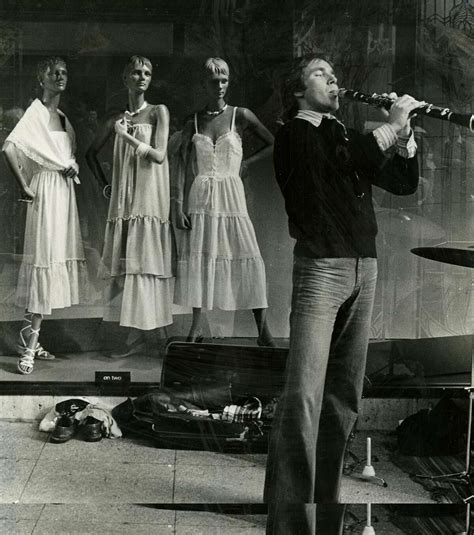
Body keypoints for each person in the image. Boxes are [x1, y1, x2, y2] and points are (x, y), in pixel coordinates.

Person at [264, 54, 421, 534]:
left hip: (363, 268)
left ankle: (325, 519)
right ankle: (291, 527)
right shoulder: (295, 134)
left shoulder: (343, 133)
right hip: (321, 272)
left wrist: (407, 137)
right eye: (320, 73)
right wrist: (390, 128)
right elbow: (339, 164)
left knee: (342, 401)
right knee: (304, 400)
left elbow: (401, 183)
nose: (334, 78)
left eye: (335, 72)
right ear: (297, 90)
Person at [172, 57, 275, 345]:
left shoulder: (240, 115)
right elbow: (180, 163)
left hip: (231, 194)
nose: (219, 86)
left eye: (224, 80)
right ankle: (196, 326)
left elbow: (272, 142)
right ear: (203, 84)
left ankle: (263, 330)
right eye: (213, 81)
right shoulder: (192, 120)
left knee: (248, 255)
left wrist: (247, 163)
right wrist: (177, 203)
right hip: (201, 195)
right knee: (200, 258)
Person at [2, 57, 86, 375]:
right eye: (54, 73)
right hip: (45, 194)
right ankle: (27, 348)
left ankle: (33, 341)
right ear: (42, 77)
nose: (61, 77)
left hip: (63, 194)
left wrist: (72, 164)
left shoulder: (63, 117)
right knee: (42, 262)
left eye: (65, 72)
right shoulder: (35, 113)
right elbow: (9, 148)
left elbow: (69, 154)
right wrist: (25, 186)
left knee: (51, 264)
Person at [86, 55, 173, 357]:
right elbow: (90, 154)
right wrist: (106, 185)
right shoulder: (115, 120)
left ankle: (154, 332)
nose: (142, 77)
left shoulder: (158, 112)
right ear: (125, 78)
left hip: (149, 198)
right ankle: (135, 335)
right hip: (125, 200)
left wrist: (126, 137)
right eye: (136, 73)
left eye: (147, 72)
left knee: (147, 262)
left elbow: (159, 156)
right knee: (127, 265)